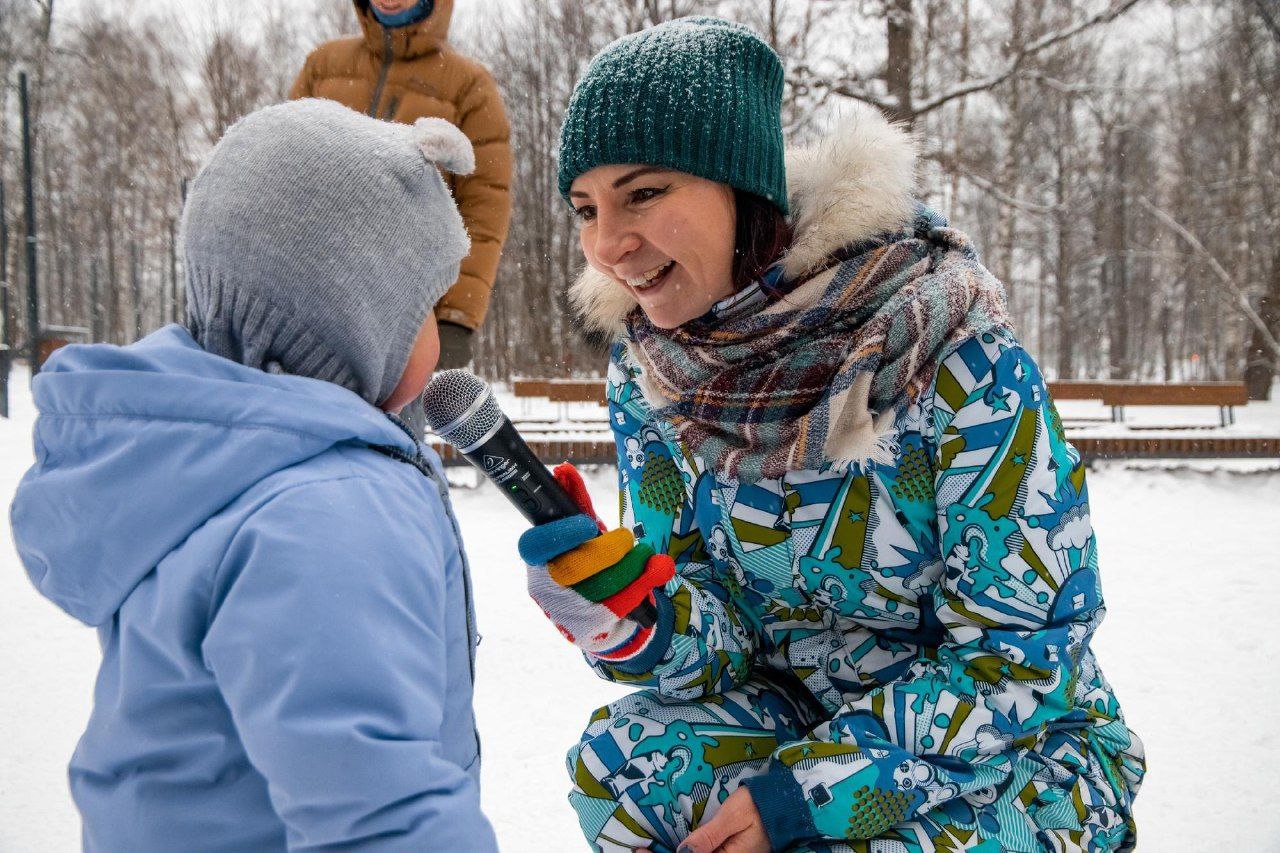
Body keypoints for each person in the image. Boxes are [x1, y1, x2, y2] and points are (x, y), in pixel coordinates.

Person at [517, 17, 1145, 853]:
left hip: (1018, 746)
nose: (607, 244)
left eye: (643, 193)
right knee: (627, 769)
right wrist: (635, 612)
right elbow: (727, 633)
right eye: (586, 208)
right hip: (800, 708)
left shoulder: (943, 345)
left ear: (740, 186)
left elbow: (1022, 657)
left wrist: (811, 794)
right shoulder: (653, 374)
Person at [10, 99, 497, 852]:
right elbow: (377, 813)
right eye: (425, 303)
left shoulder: (207, 471)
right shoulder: (328, 510)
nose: (440, 327)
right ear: (354, 320)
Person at [291, 0, 512, 372]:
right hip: (311, 304)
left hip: (408, 321)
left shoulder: (468, 85)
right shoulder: (322, 66)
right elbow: (284, 170)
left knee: (392, 432)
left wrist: (456, 317)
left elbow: (484, 210)